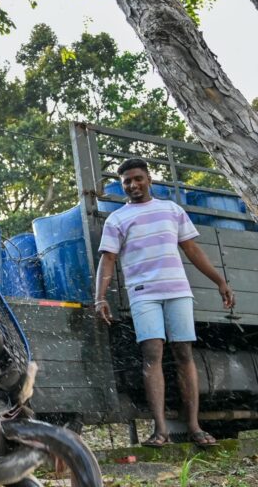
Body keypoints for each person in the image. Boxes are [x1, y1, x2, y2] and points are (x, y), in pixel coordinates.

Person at [95, 158, 235, 448]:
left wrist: (219, 281)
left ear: (149, 179)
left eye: (137, 178)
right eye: (127, 182)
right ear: (123, 186)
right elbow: (107, 259)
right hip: (143, 293)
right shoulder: (117, 219)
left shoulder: (172, 210)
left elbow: (192, 250)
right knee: (152, 354)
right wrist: (100, 298)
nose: (133, 185)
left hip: (178, 290)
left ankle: (194, 427)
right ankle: (160, 431)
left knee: (184, 353)